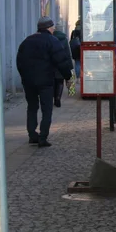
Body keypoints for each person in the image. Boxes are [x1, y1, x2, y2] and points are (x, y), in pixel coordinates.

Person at [16, 16, 73, 147]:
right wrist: (68, 77)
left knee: (32, 107)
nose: (53, 29)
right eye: (52, 27)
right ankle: (43, 137)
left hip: (29, 81)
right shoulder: (52, 41)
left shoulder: (27, 41)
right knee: (47, 109)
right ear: (48, 28)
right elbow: (61, 61)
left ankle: (32, 135)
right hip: (46, 81)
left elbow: (19, 61)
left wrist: (24, 76)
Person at [52, 22, 72, 107]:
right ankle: (58, 98)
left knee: (53, 81)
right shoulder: (64, 39)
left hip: (53, 63)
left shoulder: (51, 38)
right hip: (62, 62)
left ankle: (53, 96)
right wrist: (70, 66)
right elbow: (68, 53)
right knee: (60, 81)